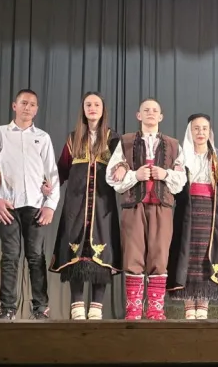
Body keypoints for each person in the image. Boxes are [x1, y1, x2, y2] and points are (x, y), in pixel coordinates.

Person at [0, 89, 60, 320]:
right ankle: (7, 308)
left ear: (37, 110)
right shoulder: (0, 133)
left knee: (36, 256)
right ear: (14, 106)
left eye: (32, 104)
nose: (28, 107)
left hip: (35, 205)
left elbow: (52, 174)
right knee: (10, 256)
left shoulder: (43, 137)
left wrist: (50, 205)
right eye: (24, 103)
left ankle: (40, 308)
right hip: (8, 205)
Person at [106, 98, 186, 320]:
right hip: (134, 205)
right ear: (138, 115)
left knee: (159, 255)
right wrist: (135, 175)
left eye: (155, 110)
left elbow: (181, 179)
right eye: (146, 110)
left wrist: (165, 174)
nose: (151, 113)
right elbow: (112, 177)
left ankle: (155, 309)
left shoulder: (173, 144)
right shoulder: (125, 142)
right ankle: (133, 309)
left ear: (161, 117)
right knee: (133, 254)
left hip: (162, 205)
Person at [50, 91, 122, 320]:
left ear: (103, 110)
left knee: (101, 252)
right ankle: (77, 305)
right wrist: (47, 186)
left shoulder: (113, 139)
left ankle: (97, 307)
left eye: (96, 104)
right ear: (83, 109)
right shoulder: (74, 138)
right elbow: (61, 170)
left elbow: (123, 166)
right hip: (76, 205)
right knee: (76, 253)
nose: (92, 108)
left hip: (102, 206)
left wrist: (123, 168)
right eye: (88, 104)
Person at [167, 113, 218, 319]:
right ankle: (189, 304)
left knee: (208, 254)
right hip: (187, 210)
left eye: (204, 128)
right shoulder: (181, 157)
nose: (200, 132)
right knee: (188, 254)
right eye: (196, 128)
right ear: (190, 131)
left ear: (209, 132)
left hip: (212, 211)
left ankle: (203, 303)